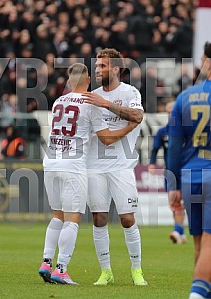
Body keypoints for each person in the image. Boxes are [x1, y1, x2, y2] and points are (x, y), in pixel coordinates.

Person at [39, 63, 137, 285]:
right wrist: (129, 128)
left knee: (57, 215)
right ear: (88, 81)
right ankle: (61, 268)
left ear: (70, 81)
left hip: (50, 162)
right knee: (72, 219)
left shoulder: (58, 102)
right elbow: (107, 139)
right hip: (73, 165)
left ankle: (46, 262)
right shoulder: (90, 104)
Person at [82, 48, 147, 286]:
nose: (98, 70)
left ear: (116, 69)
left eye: (103, 66)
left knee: (127, 219)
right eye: (97, 66)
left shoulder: (130, 92)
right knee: (99, 218)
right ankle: (106, 271)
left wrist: (106, 104)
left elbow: (137, 116)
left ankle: (137, 270)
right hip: (94, 166)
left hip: (121, 166)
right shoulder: (92, 97)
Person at [167, 42, 211, 299]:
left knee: (199, 243)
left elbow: (173, 148)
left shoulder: (185, 97)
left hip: (190, 176)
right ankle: (196, 295)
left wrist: (172, 187)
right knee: (209, 242)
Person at [148, 101, 187, 244]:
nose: (172, 115)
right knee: (174, 201)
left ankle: (178, 230)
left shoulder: (186, 131)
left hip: (187, 171)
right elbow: (155, 149)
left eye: (174, 112)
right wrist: (152, 163)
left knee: (185, 201)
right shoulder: (163, 131)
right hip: (170, 172)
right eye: (169, 112)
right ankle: (179, 231)